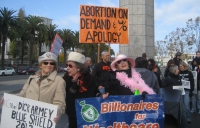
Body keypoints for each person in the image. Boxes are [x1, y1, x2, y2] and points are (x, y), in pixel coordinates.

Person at [0, 52, 66, 123]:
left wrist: (56, 113)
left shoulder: (59, 81)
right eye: (45, 63)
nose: (48, 65)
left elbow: (60, 104)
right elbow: (22, 94)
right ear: (40, 65)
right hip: (27, 121)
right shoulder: (31, 78)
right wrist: (8, 99)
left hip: (44, 122)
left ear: (54, 66)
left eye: (52, 63)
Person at [62, 52, 97, 128]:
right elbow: (66, 100)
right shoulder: (65, 79)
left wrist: (101, 94)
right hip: (73, 114)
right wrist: (73, 87)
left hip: (88, 114)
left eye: (70, 66)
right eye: (67, 65)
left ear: (79, 67)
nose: (67, 68)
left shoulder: (89, 78)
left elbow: (95, 93)